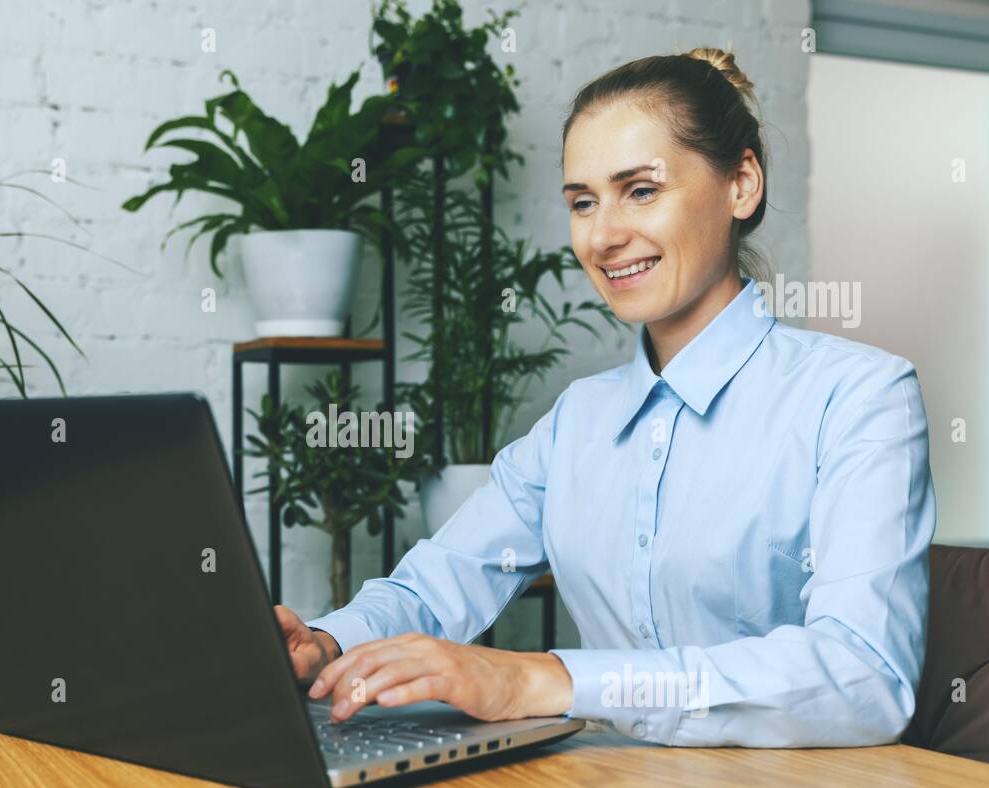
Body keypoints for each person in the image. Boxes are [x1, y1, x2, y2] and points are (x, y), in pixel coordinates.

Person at [274, 47, 937, 747]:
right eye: (583, 202)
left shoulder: (860, 397)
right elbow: (437, 583)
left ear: (741, 183)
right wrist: (326, 641)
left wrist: (548, 679)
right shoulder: (576, 424)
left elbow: (863, 675)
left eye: (641, 190)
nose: (604, 235)